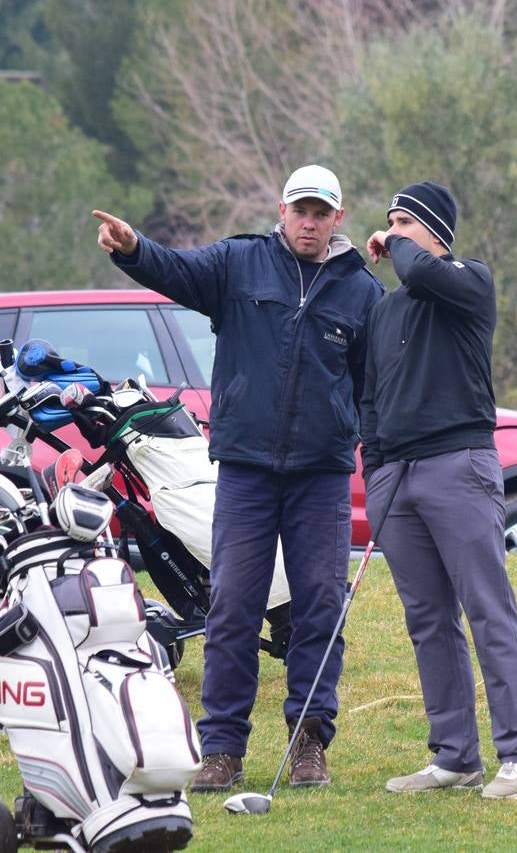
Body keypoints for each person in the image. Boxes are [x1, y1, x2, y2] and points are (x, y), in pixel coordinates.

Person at [92, 165, 383, 791]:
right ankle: (221, 748)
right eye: (300, 210)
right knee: (231, 608)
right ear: (282, 210)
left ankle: (309, 744)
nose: (309, 222)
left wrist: (360, 440)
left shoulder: (363, 292)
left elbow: (373, 386)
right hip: (247, 471)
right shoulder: (238, 264)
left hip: (322, 476)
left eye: (320, 212)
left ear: (338, 216)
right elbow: (175, 270)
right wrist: (133, 249)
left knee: (319, 610)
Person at [361, 182, 517, 799]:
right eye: (388, 220)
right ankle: (454, 758)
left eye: (406, 221)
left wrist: (397, 243)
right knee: (428, 621)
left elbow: (417, 266)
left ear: (436, 233)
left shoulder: (470, 282)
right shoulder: (386, 310)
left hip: (459, 465)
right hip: (398, 478)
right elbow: (371, 395)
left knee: (488, 610)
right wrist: (376, 469)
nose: (392, 232)